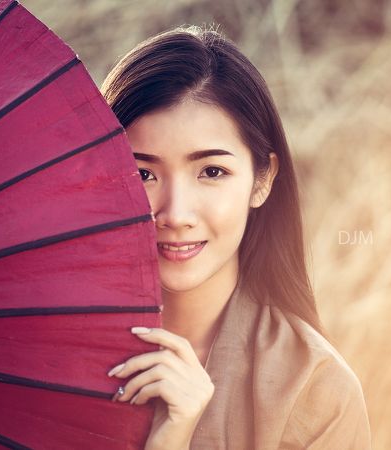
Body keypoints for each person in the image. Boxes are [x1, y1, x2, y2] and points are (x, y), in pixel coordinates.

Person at [100, 24, 371, 450]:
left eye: (211, 172)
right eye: (143, 174)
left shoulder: (314, 392)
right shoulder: (42, 346)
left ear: (262, 180)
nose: (175, 214)